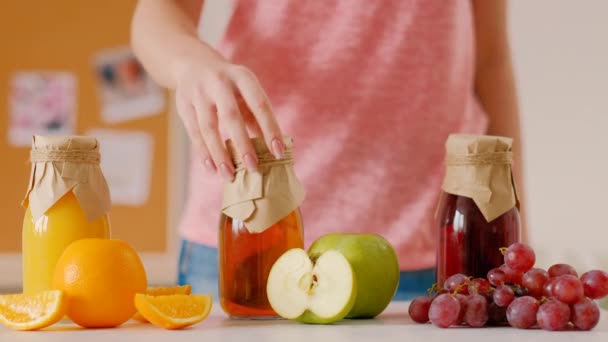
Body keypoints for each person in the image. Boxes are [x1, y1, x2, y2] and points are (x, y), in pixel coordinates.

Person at [131, 0, 525, 301]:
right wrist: (189, 63)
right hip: (252, 230)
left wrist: (514, 227)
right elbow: (159, 13)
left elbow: (491, 61)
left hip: (438, 244)